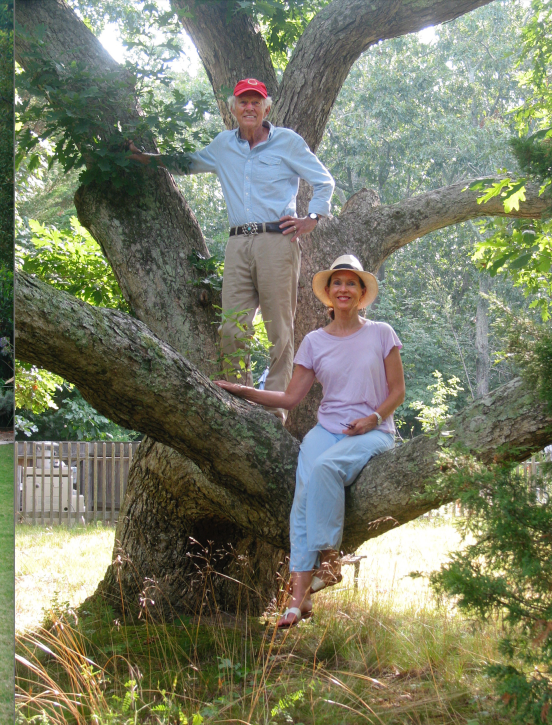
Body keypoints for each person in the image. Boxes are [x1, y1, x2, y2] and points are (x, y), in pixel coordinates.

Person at [215, 255, 405, 628]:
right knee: (302, 498)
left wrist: (374, 418)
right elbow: (289, 399)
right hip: (327, 430)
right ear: (328, 294)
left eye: (352, 283)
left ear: (363, 293)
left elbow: (398, 391)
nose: (344, 289)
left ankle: (331, 563)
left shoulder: (382, 333)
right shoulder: (315, 341)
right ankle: (297, 599)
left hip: (375, 433)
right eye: (338, 283)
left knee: (324, 468)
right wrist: (240, 390)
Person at [129, 78, 335, 420]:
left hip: (277, 242)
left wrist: (312, 216)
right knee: (232, 328)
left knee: (278, 328)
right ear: (232, 109)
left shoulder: (288, 142)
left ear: (267, 108)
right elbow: (188, 162)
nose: (249, 108)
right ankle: (238, 404)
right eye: (243, 102)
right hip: (237, 243)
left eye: (256, 102)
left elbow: (324, 180)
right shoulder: (224, 145)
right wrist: (146, 159)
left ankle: (273, 410)